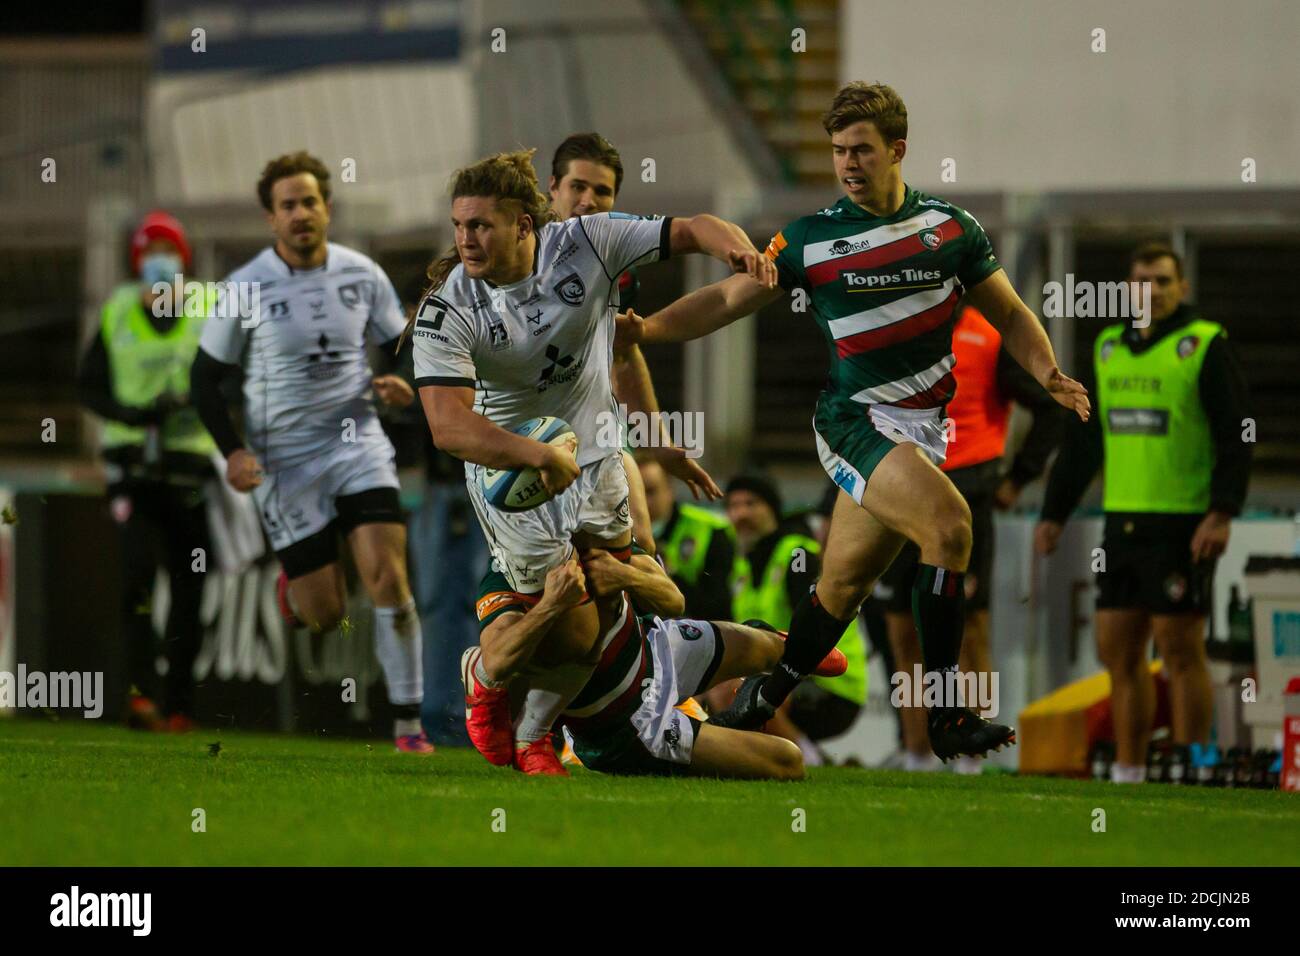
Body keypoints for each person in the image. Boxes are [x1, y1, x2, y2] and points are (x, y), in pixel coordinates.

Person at [619, 81, 1090, 761]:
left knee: (838, 591)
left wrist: (1046, 371)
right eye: (838, 150)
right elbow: (726, 298)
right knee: (951, 527)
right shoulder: (812, 240)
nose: (847, 162)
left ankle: (752, 706)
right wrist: (650, 329)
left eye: (861, 149)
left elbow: (1012, 314)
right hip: (853, 423)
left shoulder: (952, 231)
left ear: (898, 149)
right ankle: (947, 718)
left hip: (917, 431)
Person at [413, 149, 773, 774]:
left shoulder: (585, 243)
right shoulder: (449, 307)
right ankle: (487, 680)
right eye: (460, 226)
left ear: (526, 224)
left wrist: (737, 250)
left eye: (481, 225)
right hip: (511, 472)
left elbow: (692, 228)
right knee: (572, 625)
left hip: (601, 455)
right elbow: (448, 426)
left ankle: (537, 727)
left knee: (612, 598)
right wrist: (539, 454)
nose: (466, 240)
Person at [190, 151, 433, 754]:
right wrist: (233, 454)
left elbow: (399, 346)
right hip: (284, 465)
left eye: (310, 202)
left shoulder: (362, 274)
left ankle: (408, 726)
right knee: (324, 612)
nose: (301, 214)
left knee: (388, 578)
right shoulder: (246, 286)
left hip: (358, 448)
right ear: (272, 219)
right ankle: (297, 592)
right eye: (288, 205)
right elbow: (203, 378)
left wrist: (401, 389)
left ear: (329, 207)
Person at [1035, 241, 1252, 784]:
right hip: (1121, 523)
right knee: (1117, 651)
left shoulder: (1204, 345)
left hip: (1181, 523)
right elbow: (1084, 442)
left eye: (1161, 281)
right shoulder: (1109, 349)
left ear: (1182, 288)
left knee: (1181, 652)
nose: (1149, 292)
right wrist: (1054, 512)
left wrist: (1221, 512)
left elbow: (1236, 435)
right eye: (1140, 281)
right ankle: (1130, 771)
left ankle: (1188, 765)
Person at [879, 303, 1066, 772]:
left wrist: (1016, 478)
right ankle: (918, 753)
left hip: (964, 496)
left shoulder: (990, 336)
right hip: (899, 491)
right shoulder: (892, 327)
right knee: (903, 632)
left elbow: (1049, 408)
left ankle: (971, 754)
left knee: (969, 630)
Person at [471, 547, 845, 779]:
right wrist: (552, 605)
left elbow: (672, 599)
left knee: (770, 648)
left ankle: (777, 660)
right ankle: (718, 724)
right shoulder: (503, 577)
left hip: (655, 647)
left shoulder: (588, 531)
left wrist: (624, 574)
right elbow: (495, 661)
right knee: (788, 762)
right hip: (627, 727)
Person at [78, 210, 215, 733]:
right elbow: (89, 386)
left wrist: (192, 400)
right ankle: (142, 696)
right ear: (138, 262)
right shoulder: (116, 311)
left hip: (188, 470)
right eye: (151, 252)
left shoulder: (207, 306)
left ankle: (179, 704)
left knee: (190, 586)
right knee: (136, 579)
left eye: (169, 250)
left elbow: (229, 375)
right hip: (133, 468)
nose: (161, 261)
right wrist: (132, 415)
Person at [719, 474, 866, 767]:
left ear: (772, 509)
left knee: (732, 689)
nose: (741, 514)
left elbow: (817, 625)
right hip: (793, 676)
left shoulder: (796, 553)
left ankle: (808, 760)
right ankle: (813, 756)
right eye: (733, 506)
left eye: (751, 503)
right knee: (718, 683)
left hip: (832, 684)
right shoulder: (744, 565)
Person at [638, 453, 735, 621]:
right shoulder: (614, 533)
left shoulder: (712, 529)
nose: (642, 501)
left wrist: (670, 574)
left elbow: (720, 606)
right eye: (635, 493)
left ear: (669, 490)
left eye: (650, 491)